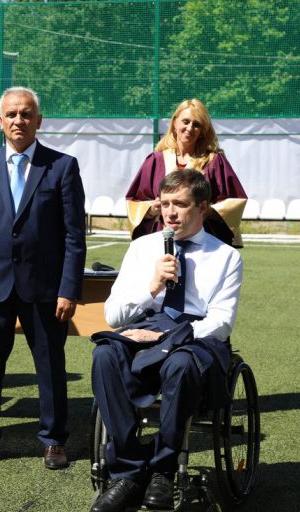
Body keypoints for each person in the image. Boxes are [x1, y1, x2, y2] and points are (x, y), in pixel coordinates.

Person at [90, 168, 242, 512]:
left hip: (196, 335)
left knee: (181, 363)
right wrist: (152, 287)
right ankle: (129, 471)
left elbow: (221, 322)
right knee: (105, 355)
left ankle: (164, 470)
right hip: (146, 325)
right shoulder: (141, 248)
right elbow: (113, 315)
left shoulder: (226, 256)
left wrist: (168, 337)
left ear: (203, 207)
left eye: (181, 204)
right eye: (165, 203)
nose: (170, 212)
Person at [0, 86, 86, 470]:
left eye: (26, 114)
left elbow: (73, 235)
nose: (18, 120)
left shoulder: (62, 166)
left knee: (50, 366)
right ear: (0, 121)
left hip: (44, 288)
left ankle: (53, 441)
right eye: (11, 114)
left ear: (38, 120)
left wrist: (68, 289)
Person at [125, 98, 247, 246]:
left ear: (202, 131)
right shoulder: (155, 161)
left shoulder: (214, 162)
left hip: (202, 241)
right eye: (186, 121)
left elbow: (235, 201)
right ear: (175, 123)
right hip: (162, 238)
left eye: (196, 125)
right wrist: (151, 209)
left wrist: (207, 210)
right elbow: (134, 201)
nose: (190, 128)